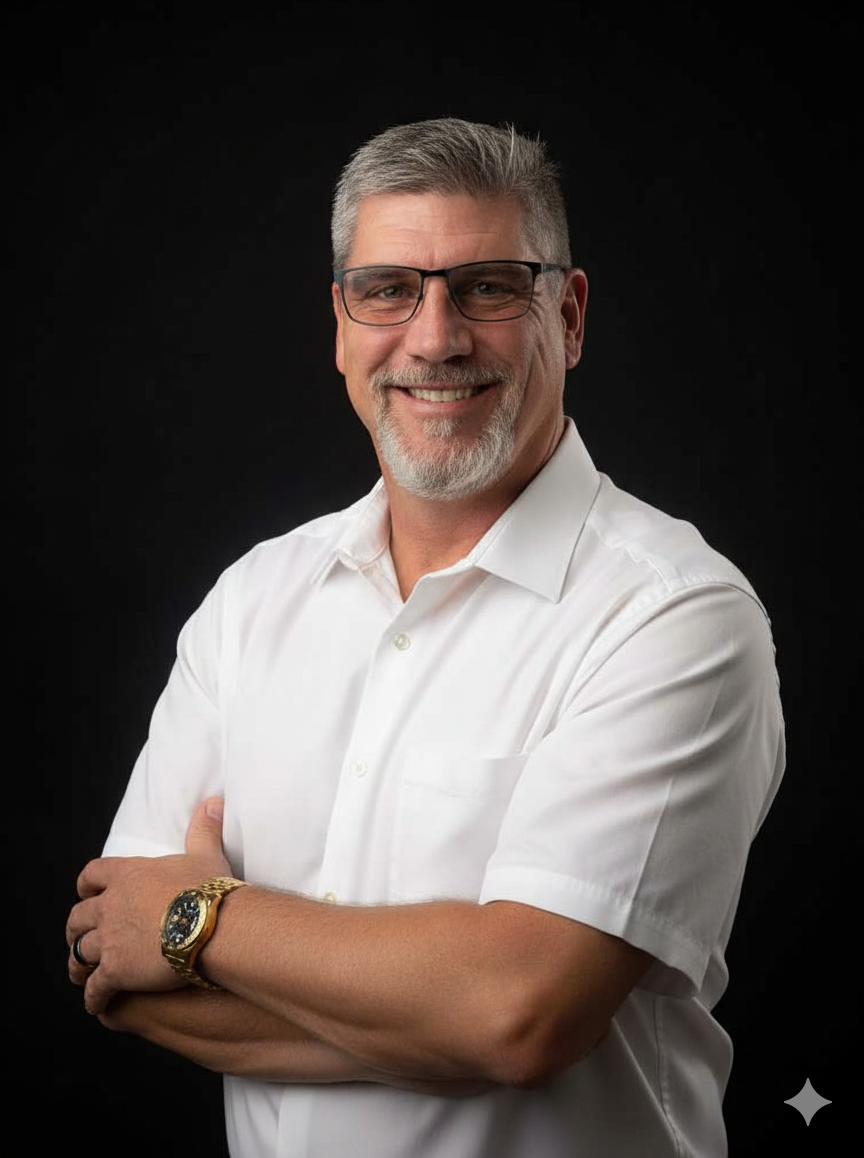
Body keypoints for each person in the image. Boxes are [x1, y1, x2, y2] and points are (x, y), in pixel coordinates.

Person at [66, 118, 785, 1157]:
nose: (436, 337)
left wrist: (205, 917)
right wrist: (447, 1016)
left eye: (489, 286)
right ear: (341, 322)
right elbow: (117, 967)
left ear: (569, 314)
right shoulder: (252, 600)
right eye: (389, 288)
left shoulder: (674, 616)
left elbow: (518, 1008)